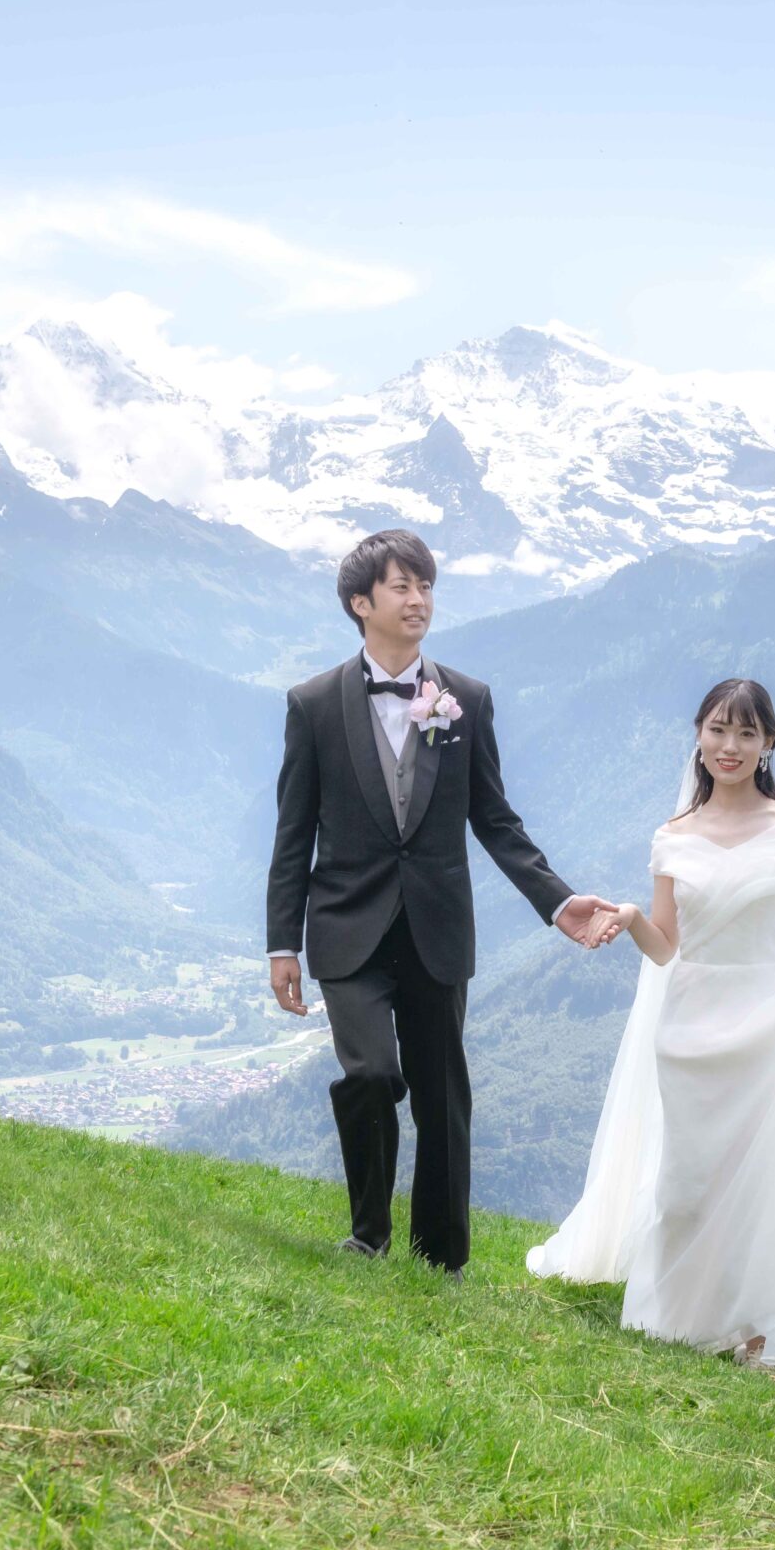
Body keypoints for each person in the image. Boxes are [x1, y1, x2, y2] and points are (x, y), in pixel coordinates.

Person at [525, 678, 775, 1391]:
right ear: (698, 736)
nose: (729, 746)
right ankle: (688, 1313)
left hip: (772, 1022)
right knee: (690, 1184)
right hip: (693, 1028)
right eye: (717, 729)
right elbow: (668, 944)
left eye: (745, 733)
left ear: (768, 744)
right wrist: (628, 915)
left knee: (773, 1184)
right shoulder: (672, 837)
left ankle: (761, 1334)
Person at [265, 528, 624, 1277]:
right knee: (368, 1075)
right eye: (401, 586)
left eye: (425, 584)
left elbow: (495, 819)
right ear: (361, 603)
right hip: (346, 930)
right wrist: (282, 944)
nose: (419, 598)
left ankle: (441, 1260)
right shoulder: (312, 706)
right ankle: (368, 1234)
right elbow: (293, 832)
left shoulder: (467, 700)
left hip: (436, 930)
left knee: (442, 1096)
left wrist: (559, 904)